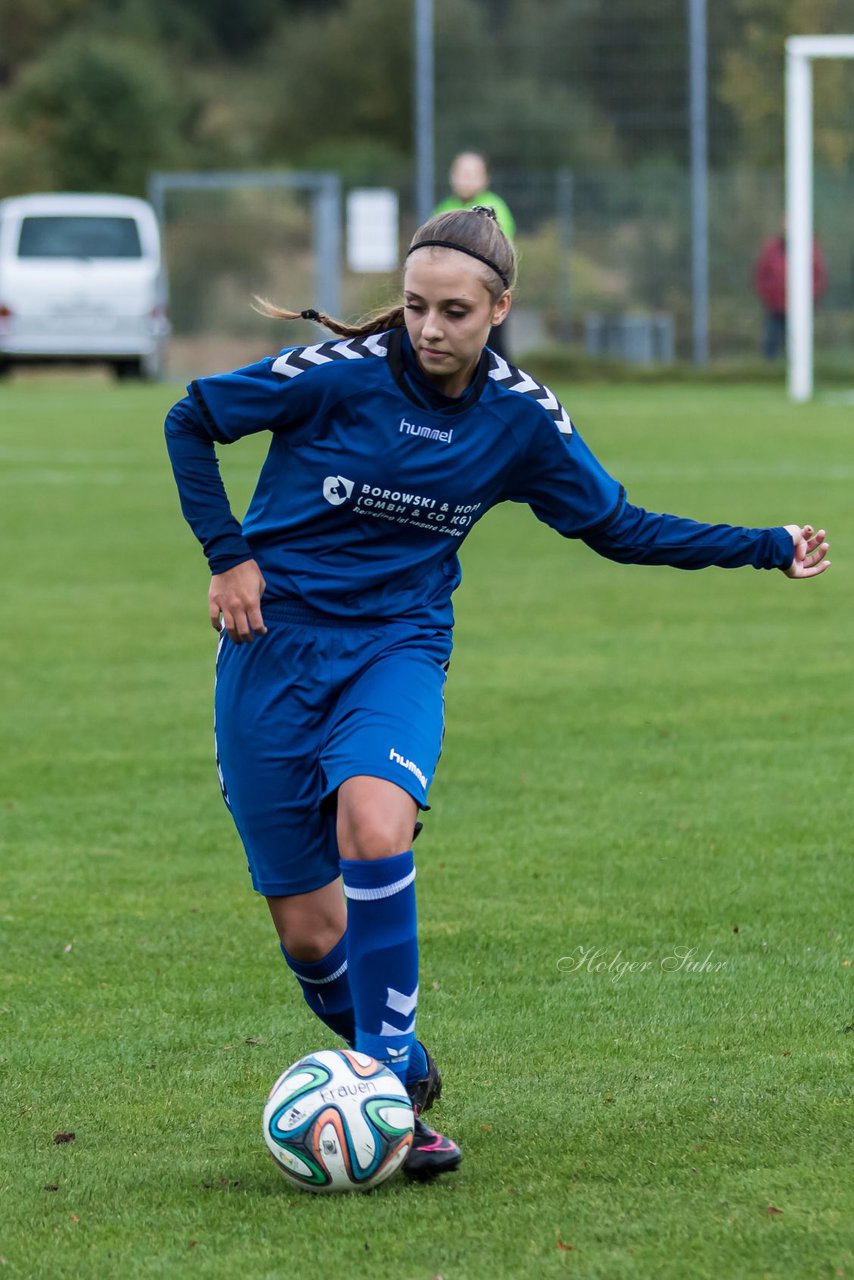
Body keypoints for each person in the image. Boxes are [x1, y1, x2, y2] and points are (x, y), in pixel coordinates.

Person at [164, 206, 830, 1184]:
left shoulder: (519, 416)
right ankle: (400, 1062)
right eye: (416, 306)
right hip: (270, 647)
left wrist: (761, 545)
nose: (430, 329)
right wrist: (229, 559)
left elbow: (617, 524)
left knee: (374, 824)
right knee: (310, 936)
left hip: (395, 646)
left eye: (455, 311)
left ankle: (385, 1086)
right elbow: (191, 416)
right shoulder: (339, 377)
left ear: (499, 309)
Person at [434, 152, 515, 360]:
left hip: (484, 290)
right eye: (461, 173)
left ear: (484, 179)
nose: (465, 179)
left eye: (471, 174)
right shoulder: (444, 210)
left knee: (493, 347)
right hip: (448, 290)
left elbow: (498, 250)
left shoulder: (495, 207)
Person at [753, 223, 828, 360]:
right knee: (772, 342)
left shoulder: (810, 248)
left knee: (800, 344)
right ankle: (771, 372)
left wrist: (809, 297)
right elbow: (761, 275)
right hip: (775, 307)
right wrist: (770, 297)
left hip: (801, 307)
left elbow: (819, 275)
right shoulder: (772, 249)